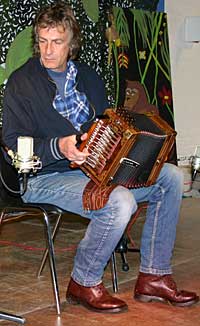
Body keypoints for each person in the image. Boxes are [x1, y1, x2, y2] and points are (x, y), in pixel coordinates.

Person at [2, 1, 199, 313]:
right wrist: (58, 146)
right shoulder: (20, 84)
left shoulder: (89, 78)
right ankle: (83, 281)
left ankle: (154, 276)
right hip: (42, 178)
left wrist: (122, 149)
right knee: (120, 201)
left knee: (171, 177)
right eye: (42, 41)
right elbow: (12, 142)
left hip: (95, 170)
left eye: (57, 42)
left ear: (72, 44)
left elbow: (104, 125)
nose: (48, 51)